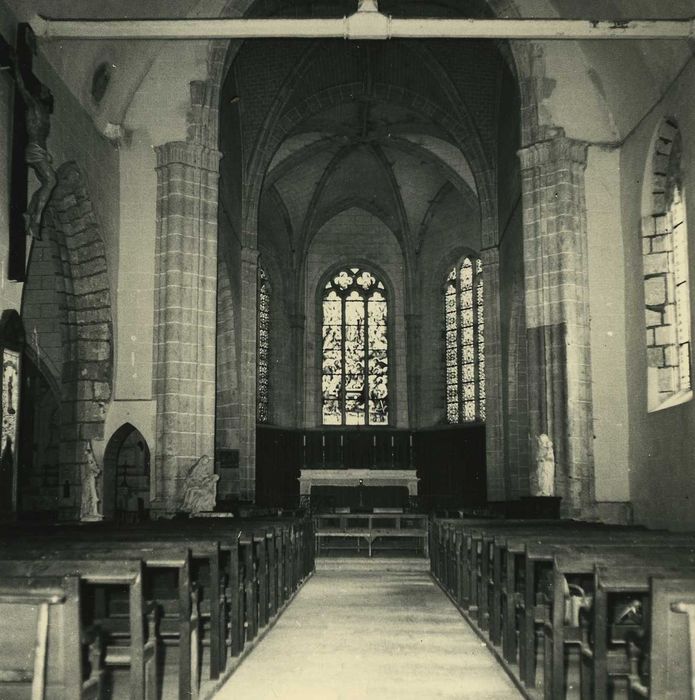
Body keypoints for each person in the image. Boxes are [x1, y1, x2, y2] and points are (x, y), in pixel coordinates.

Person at [12, 52, 56, 240]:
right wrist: (15, 65)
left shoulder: (45, 116)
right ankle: (36, 218)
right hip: (34, 149)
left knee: (46, 183)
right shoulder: (33, 105)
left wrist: (47, 155)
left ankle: (29, 213)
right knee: (52, 181)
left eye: (46, 90)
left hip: (40, 151)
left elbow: (42, 137)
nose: (45, 90)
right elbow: (21, 87)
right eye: (44, 89)